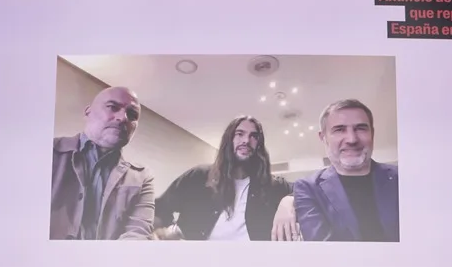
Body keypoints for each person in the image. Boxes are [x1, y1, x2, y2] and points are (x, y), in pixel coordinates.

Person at [153, 115, 299, 241]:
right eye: (240, 134)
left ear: (259, 145)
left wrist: (288, 201)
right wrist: (163, 233)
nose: (246, 140)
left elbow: (305, 190)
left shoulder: (272, 186)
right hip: (199, 266)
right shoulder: (198, 176)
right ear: (229, 140)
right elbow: (159, 209)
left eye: (253, 136)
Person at [51, 85, 156, 240]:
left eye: (132, 114)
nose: (123, 118)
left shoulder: (142, 178)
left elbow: (137, 233)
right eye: (113, 107)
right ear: (88, 111)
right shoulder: (47, 152)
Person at [293, 99, 399, 242]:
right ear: (323, 138)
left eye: (361, 128)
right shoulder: (308, 188)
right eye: (339, 130)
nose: (352, 139)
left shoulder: (401, 178)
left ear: (372, 133)